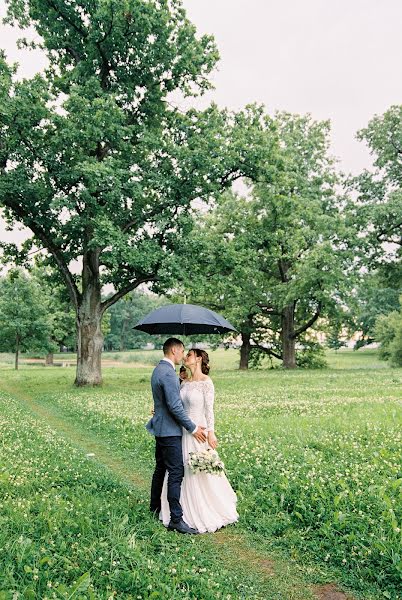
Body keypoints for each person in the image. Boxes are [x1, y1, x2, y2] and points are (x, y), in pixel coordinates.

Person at [160, 348, 239, 533]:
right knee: (180, 469)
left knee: (200, 468)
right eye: (185, 354)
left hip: (199, 431)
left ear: (198, 359)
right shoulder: (184, 382)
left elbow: (209, 410)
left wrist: (211, 432)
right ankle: (180, 511)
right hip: (183, 431)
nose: (185, 357)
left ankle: (206, 506)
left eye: (189, 355)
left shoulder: (206, 382)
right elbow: (176, 405)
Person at [146, 338, 207, 535]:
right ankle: (176, 519)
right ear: (174, 350)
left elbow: (164, 402)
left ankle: (155, 508)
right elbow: (174, 406)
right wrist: (192, 427)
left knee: (160, 469)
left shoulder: (159, 370)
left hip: (161, 429)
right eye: (182, 351)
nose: (183, 355)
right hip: (171, 431)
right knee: (176, 473)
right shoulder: (169, 374)